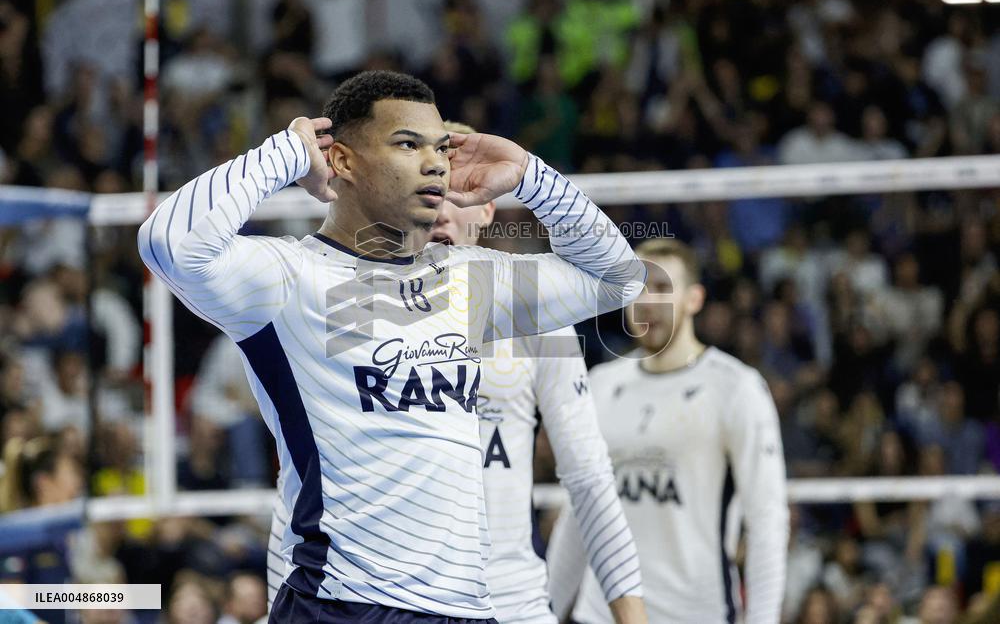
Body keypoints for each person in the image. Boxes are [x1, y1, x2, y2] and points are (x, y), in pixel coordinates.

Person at [137, 70, 645, 623]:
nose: (435, 164)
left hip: (469, 609)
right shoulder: (287, 277)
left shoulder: (467, 280)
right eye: (408, 144)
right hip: (344, 604)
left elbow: (618, 279)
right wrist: (287, 153)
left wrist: (532, 178)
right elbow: (167, 242)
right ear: (343, 160)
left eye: (441, 149)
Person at [266, 121, 646, 623]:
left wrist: (632, 615)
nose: (441, 208)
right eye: (425, 191)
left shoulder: (540, 315)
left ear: (487, 208)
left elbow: (589, 478)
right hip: (386, 602)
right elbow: (299, 483)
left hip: (514, 606)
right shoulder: (350, 304)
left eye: (454, 191)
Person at [547, 238, 789, 623]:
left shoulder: (736, 388)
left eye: (662, 288)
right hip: (601, 614)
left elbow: (767, 521)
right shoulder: (601, 384)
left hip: (695, 614)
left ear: (695, 299)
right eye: (637, 288)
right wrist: (545, 613)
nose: (647, 301)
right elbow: (579, 517)